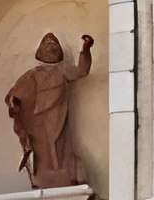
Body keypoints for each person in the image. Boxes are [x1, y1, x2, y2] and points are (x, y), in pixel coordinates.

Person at [5, 32, 94, 188]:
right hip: (38, 122)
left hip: (58, 118)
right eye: (47, 43)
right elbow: (15, 95)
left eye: (54, 43)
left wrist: (85, 50)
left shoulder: (63, 70)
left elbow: (81, 71)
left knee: (61, 150)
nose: (51, 44)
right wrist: (14, 102)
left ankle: (67, 178)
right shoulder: (32, 75)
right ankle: (41, 181)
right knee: (42, 153)